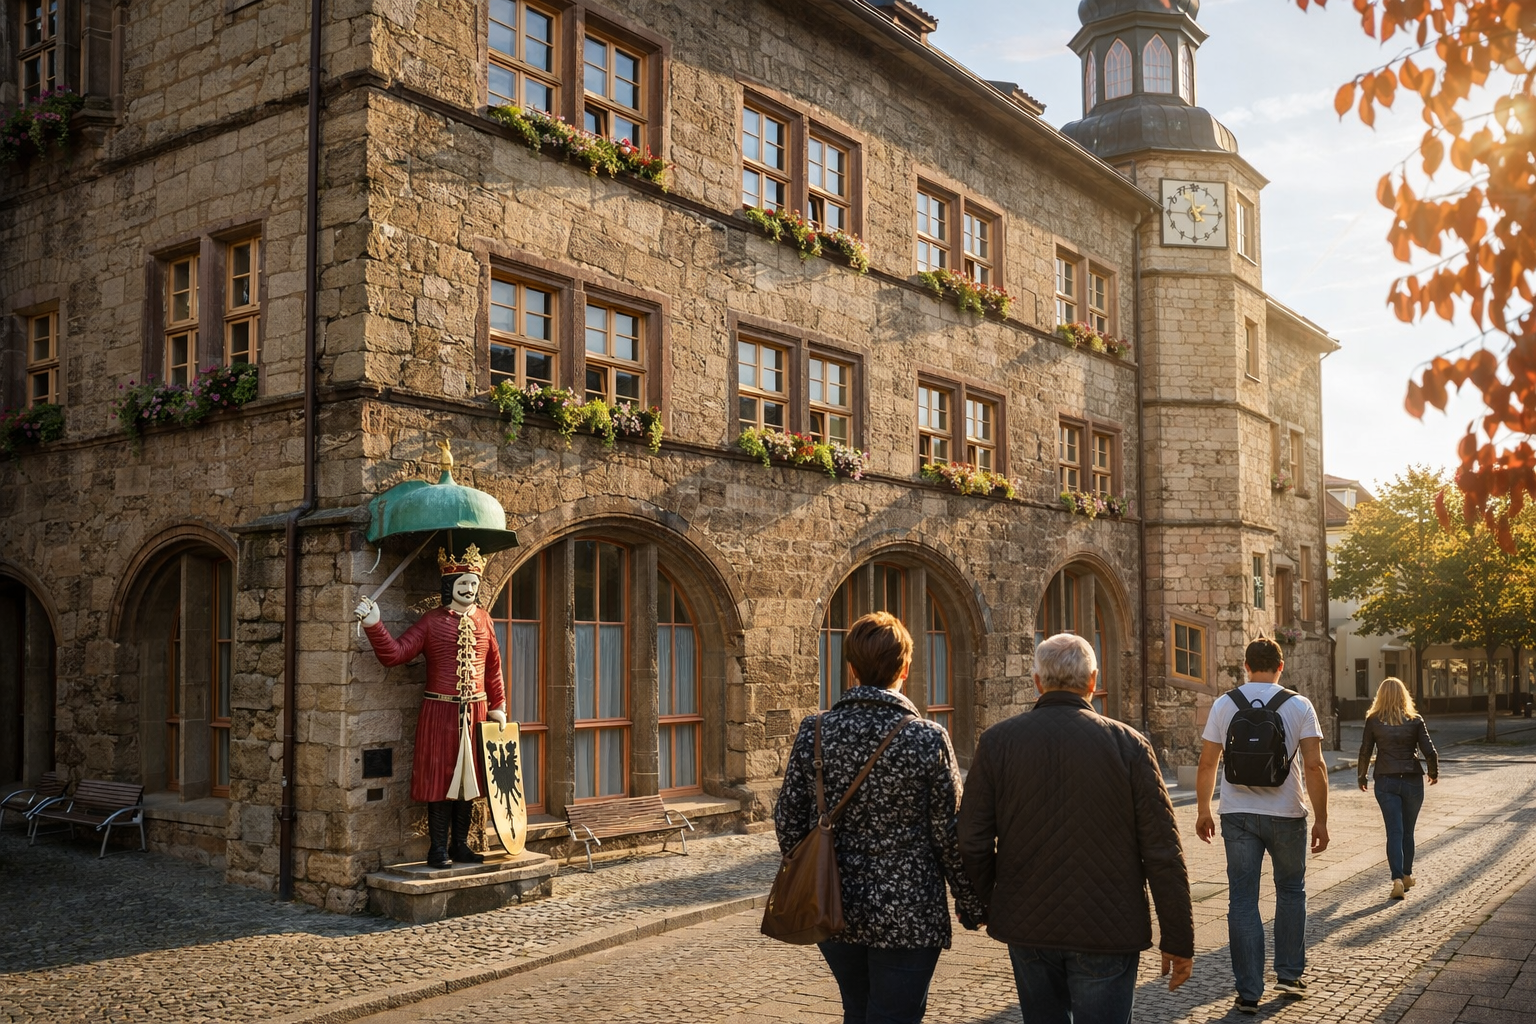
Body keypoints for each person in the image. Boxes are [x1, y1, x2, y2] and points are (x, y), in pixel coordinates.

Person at [958, 632, 1194, 1024]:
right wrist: (1178, 938)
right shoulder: (1130, 745)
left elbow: (972, 838)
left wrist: (987, 900)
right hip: (1108, 926)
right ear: (1093, 681)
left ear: (1037, 681)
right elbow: (1162, 851)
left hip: (1028, 919)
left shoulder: (998, 742)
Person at [774, 611, 984, 1024]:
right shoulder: (927, 737)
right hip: (909, 914)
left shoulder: (815, 731)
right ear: (905, 668)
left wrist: (820, 873)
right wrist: (971, 901)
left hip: (832, 908)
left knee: (859, 1008)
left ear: (850, 669)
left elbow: (788, 824)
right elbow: (948, 834)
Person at [1196, 636, 1329, 1014]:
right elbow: (1316, 767)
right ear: (1281, 667)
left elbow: (1208, 763)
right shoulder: (1299, 705)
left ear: (1246, 666)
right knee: (1290, 890)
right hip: (1287, 813)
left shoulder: (1225, 704)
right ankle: (1289, 975)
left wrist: (1204, 809)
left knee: (1242, 900)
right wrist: (1321, 819)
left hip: (1237, 814)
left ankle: (1248, 992)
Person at [355, 544, 507, 868]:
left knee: (470, 782)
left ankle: (460, 845)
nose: (468, 589)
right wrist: (374, 624)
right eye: (462, 583)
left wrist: (500, 705)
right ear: (449, 586)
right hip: (440, 713)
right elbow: (395, 654)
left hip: (477, 715)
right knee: (441, 780)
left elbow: (493, 667)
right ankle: (437, 848)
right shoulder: (431, 622)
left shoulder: (484, 620)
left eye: (473, 583)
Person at [1358, 676, 1439, 900]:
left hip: (1385, 781)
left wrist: (1361, 776)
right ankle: (1406, 875)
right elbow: (1430, 752)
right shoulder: (1415, 720)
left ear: (1380, 696)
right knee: (1408, 831)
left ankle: (1396, 879)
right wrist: (1433, 773)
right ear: (1404, 695)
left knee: (1394, 831)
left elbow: (1365, 750)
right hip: (1412, 780)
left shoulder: (1373, 720)